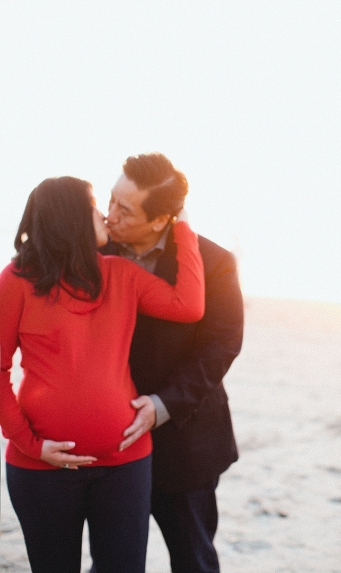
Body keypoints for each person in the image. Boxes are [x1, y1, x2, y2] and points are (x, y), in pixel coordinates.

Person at [0, 176, 204, 573]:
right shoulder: (16, 281)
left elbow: (188, 304)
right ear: (71, 216)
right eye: (94, 204)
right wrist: (29, 443)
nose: (103, 215)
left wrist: (181, 223)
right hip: (41, 469)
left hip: (124, 465)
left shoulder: (122, 274)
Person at [96, 153, 243, 573]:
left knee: (193, 559)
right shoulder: (94, 250)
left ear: (161, 220)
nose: (110, 216)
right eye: (110, 201)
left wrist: (161, 405)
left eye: (124, 210)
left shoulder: (214, 262)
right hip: (112, 439)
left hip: (185, 442)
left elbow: (221, 346)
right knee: (112, 561)